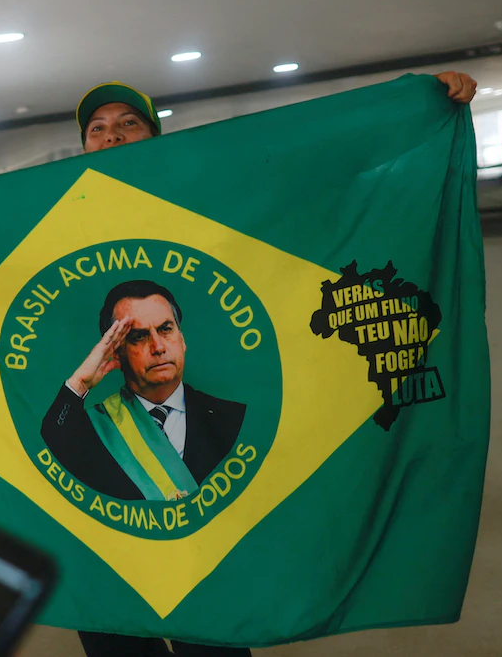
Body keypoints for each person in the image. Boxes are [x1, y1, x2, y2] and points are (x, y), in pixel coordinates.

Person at [67, 73, 478, 657]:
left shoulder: (206, 193)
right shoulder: (59, 220)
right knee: (116, 619)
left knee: (211, 617)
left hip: (209, 453)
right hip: (111, 471)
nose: (112, 136)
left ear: (156, 136)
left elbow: (305, 169)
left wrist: (414, 105)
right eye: (97, 128)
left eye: (129, 123)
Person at [42, 280, 246, 501]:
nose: (158, 347)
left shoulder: (233, 419)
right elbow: (45, 458)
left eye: (166, 329)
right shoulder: (96, 430)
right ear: (115, 351)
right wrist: (80, 383)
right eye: (139, 336)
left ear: (182, 339)